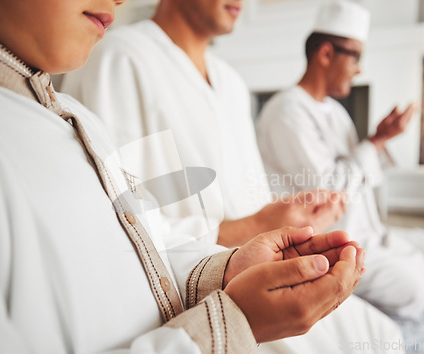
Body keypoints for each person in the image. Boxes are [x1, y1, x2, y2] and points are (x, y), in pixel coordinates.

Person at [0, 0, 372, 352]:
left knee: (373, 330)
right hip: (207, 310)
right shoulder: (122, 59)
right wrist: (237, 314)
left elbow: (140, 243)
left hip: (215, 275)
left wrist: (233, 263)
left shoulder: (75, 116)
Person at [61, 1, 346, 249]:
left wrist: (286, 217)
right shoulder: (119, 58)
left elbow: (248, 199)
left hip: (262, 271)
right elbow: (119, 223)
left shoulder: (231, 82)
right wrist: (254, 227)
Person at [256, 0, 424, 319]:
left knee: (417, 260)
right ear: (326, 54)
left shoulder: (337, 112)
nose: (359, 68)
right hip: (328, 242)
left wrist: (380, 138)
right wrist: (375, 142)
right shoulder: (286, 110)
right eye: (356, 57)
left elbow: (359, 173)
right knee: (413, 287)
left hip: (364, 232)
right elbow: (328, 189)